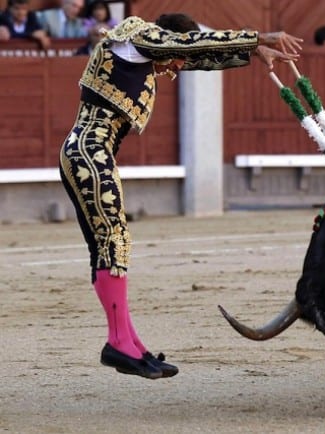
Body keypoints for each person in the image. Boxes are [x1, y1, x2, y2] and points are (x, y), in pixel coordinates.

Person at [58, 13, 302, 380]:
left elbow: (196, 56)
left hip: (89, 152)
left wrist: (254, 54)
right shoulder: (139, 36)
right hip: (88, 151)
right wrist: (258, 37)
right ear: (168, 37)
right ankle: (119, 344)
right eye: (175, 60)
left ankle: (129, 344)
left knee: (108, 244)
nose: (174, 69)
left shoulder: (138, 49)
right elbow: (188, 47)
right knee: (114, 239)